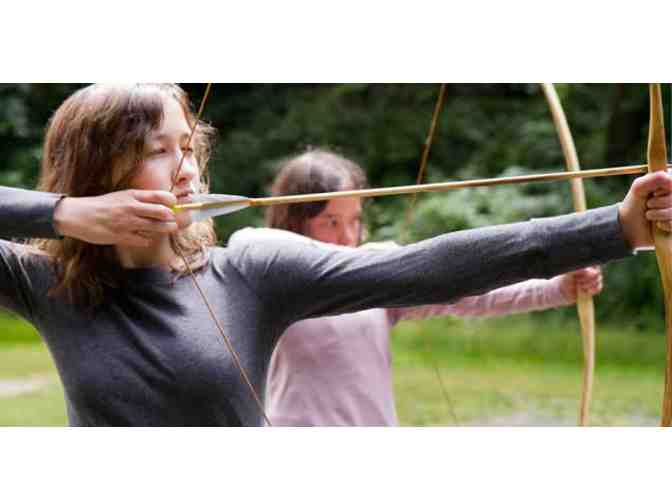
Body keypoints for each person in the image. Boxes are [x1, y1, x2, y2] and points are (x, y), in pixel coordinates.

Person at [0, 83, 669, 427]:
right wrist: (62, 214)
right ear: (97, 169)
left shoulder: (250, 269)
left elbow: (425, 269)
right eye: (158, 150)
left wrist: (617, 227)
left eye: (188, 147)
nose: (188, 171)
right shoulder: (45, 283)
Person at [229, 149, 604, 426]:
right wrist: (375, 259)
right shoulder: (273, 281)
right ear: (295, 220)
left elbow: (469, 293)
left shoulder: (375, 277)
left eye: (354, 220)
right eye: (331, 221)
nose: (347, 235)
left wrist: (558, 287)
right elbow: (246, 241)